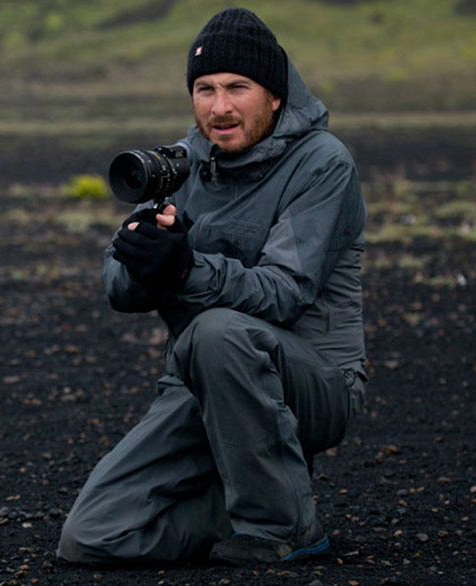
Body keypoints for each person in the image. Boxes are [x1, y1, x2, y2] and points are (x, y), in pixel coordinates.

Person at [57, 7, 367, 566]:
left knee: (217, 332)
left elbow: (285, 293)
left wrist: (184, 269)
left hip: (313, 382)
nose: (219, 107)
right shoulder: (181, 165)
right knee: (92, 537)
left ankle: (285, 527)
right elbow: (118, 290)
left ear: (275, 95)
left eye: (237, 87)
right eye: (205, 89)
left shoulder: (324, 164)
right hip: (203, 382)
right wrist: (144, 264)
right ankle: (247, 494)